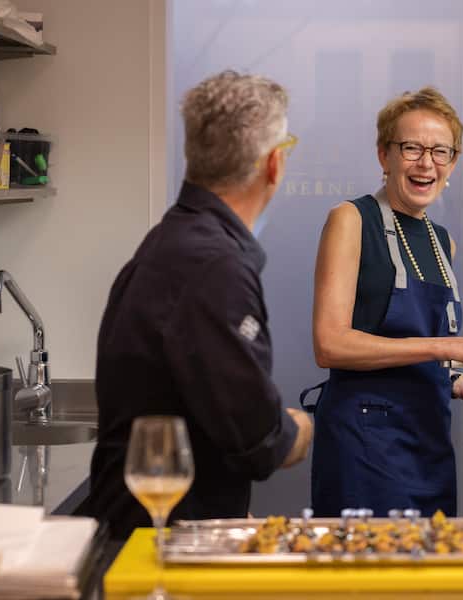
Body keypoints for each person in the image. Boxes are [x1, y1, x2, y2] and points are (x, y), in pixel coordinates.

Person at [83, 70, 313, 539]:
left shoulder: (173, 242)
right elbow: (260, 443)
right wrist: (301, 426)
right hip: (158, 541)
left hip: (155, 528)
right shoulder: (214, 268)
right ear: (274, 164)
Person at [304, 86, 463, 517]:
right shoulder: (351, 219)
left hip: (429, 444)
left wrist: (458, 383)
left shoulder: (442, 242)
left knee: (432, 561)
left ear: (453, 162)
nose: (426, 163)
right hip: (363, 445)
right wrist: (446, 346)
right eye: (412, 148)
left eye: (440, 151)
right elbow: (330, 345)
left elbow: (417, 359)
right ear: (385, 155)